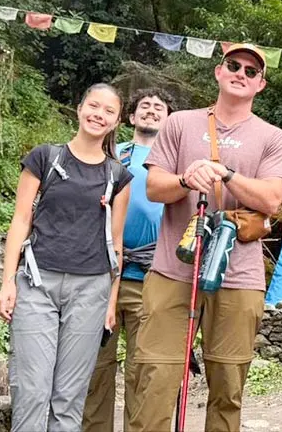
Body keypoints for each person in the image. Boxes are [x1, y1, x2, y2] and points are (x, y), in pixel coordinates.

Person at [127, 43, 282, 432]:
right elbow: (154, 187)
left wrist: (226, 174)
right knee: (155, 379)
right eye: (233, 65)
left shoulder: (271, 136)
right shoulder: (180, 123)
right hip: (172, 270)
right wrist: (186, 178)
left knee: (228, 388)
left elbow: (272, 198)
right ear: (219, 71)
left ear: (260, 84)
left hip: (239, 276)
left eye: (251, 71)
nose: (240, 73)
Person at [0, 83, 133, 432]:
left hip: (91, 289)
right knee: (31, 389)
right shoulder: (45, 157)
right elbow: (21, 220)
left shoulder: (117, 176)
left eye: (108, 111)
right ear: (80, 107)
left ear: (116, 121)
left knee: (69, 397)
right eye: (93, 106)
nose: (98, 115)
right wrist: (7, 281)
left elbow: (116, 244)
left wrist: (111, 302)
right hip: (37, 283)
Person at [83, 87, 175, 432]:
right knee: (96, 368)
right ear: (131, 117)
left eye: (159, 107)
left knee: (144, 370)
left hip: (153, 277)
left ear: (169, 120)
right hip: (102, 275)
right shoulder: (110, 154)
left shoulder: (174, 164)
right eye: (144, 107)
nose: (151, 111)